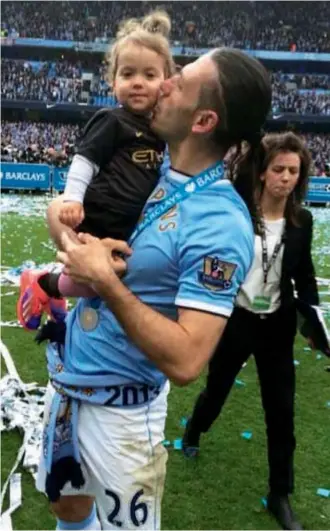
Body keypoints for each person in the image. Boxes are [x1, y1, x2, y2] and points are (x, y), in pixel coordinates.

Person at [36, 47, 272, 530]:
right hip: (70, 385)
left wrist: (102, 278)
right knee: (68, 505)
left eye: (179, 81)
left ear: (203, 120)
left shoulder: (219, 221)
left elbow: (188, 360)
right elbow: (59, 209)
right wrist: (71, 244)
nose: (163, 83)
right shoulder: (151, 170)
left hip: (123, 415)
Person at [182, 132, 319, 531]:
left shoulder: (301, 221)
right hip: (236, 318)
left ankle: (281, 493)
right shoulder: (237, 214)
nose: (287, 178)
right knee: (218, 388)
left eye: (294, 171)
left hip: (277, 323)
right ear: (261, 172)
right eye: (279, 169)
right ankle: (196, 426)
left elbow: (305, 276)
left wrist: (313, 324)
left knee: (282, 411)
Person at [17, 10, 175, 330]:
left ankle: (46, 284)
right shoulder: (112, 120)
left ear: (167, 82)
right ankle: (42, 283)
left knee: (107, 284)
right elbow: (84, 160)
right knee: (102, 280)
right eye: (128, 74)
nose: (138, 83)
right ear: (112, 80)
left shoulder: (166, 130)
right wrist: (73, 199)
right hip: (100, 218)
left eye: (149, 75)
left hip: (131, 227)